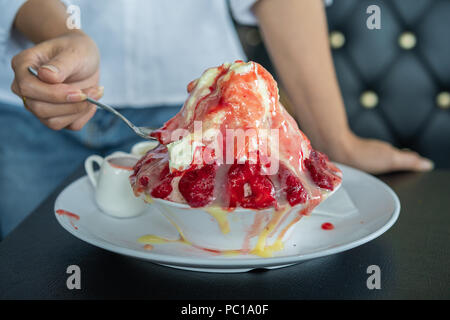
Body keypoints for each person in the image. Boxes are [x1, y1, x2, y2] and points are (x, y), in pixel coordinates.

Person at [0, 0, 433, 239]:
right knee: (31, 269)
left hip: (200, 119)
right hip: (31, 104)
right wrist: (67, 34)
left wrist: (336, 142)